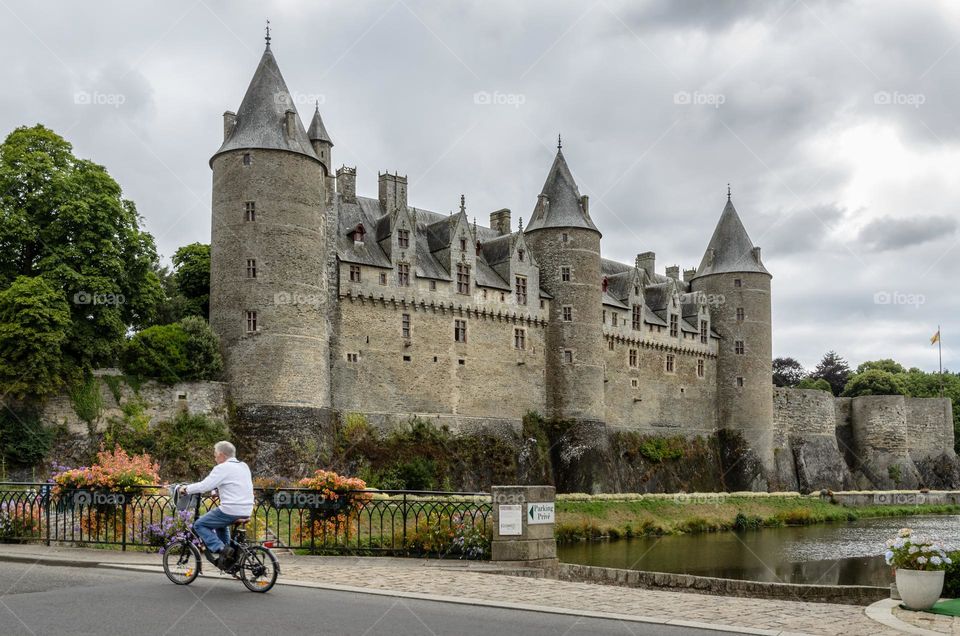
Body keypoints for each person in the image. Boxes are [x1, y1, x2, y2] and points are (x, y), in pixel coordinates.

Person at [180, 441, 253, 568]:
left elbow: (204, 486)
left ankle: (220, 548)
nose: (214, 458)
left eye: (215, 455)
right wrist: (217, 491)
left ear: (221, 455)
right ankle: (228, 555)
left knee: (199, 524)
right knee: (220, 524)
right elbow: (235, 484)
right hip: (247, 509)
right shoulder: (243, 466)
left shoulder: (222, 467)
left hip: (231, 509)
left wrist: (186, 489)